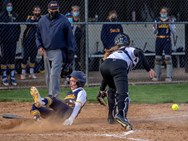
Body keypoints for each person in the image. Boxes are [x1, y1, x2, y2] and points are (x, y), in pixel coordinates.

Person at [100, 33, 155, 130]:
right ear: (127, 42)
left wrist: (101, 90)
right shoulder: (130, 49)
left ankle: (110, 117)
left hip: (104, 66)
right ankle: (120, 114)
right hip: (119, 66)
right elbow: (140, 52)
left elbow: (106, 77)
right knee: (123, 94)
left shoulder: (113, 53)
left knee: (112, 90)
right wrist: (149, 69)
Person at [36, 1, 75, 97]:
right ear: (48, 9)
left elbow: (70, 38)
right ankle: (50, 96)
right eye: (52, 9)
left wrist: (70, 53)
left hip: (58, 50)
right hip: (45, 50)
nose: (54, 11)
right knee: (48, 76)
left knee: (54, 75)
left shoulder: (64, 20)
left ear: (58, 9)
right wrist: (40, 46)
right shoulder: (42, 20)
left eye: (56, 9)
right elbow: (38, 35)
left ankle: (55, 96)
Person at [97, 10, 124, 105]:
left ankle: (106, 91)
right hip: (109, 50)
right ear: (109, 15)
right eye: (112, 14)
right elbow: (103, 37)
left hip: (117, 50)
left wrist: (119, 46)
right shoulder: (106, 24)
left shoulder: (118, 24)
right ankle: (103, 92)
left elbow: (122, 36)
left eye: (115, 14)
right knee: (107, 72)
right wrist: (109, 48)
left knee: (115, 72)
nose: (114, 16)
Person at [152, 7, 176, 82]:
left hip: (167, 39)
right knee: (158, 58)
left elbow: (174, 31)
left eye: (165, 12)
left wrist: (169, 25)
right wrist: (156, 27)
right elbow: (154, 32)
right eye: (162, 12)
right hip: (159, 39)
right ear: (160, 13)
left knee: (168, 58)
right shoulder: (157, 20)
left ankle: (169, 76)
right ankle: (157, 75)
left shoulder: (170, 20)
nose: (163, 13)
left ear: (167, 13)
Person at [0, 1, 21, 86]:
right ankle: (4, 75)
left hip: (13, 41)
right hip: (4, 41)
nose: (9, 7)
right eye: (8, 5)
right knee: (5, 58)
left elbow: (18, 28)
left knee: (12, 58)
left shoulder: (15, 15)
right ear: (5, 6)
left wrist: (16, 37)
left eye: (11, 5)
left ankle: (12, 76)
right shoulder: (1, 16)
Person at [20, 6, 41, 80]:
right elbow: (28, 24)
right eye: (35, 10)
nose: (37, 12)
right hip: (28, 40)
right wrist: (32, 20)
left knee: (33, 56)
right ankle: (23, 73)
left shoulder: (41, 19)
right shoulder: (30, 17)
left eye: (38, 10)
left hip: (36, 41)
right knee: (25, 56)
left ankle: (31, 73)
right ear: (33, 11)